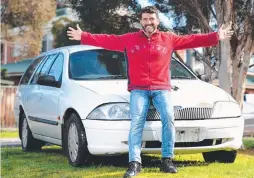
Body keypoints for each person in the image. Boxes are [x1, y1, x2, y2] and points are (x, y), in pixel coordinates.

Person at [67, 6, 233, 178]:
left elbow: (192, 40)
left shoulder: (168, 39)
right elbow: (107, 39)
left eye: (152, 19)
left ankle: (167, 160)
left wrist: (215, 36)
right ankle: (134, 163)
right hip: (139, 90)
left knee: (169, 118)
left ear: (157, 21)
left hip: (162, 89)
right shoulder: (129, 39)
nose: (148, 22)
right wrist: (84, 36)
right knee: (136, 122)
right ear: (141, 21)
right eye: (145, 19)